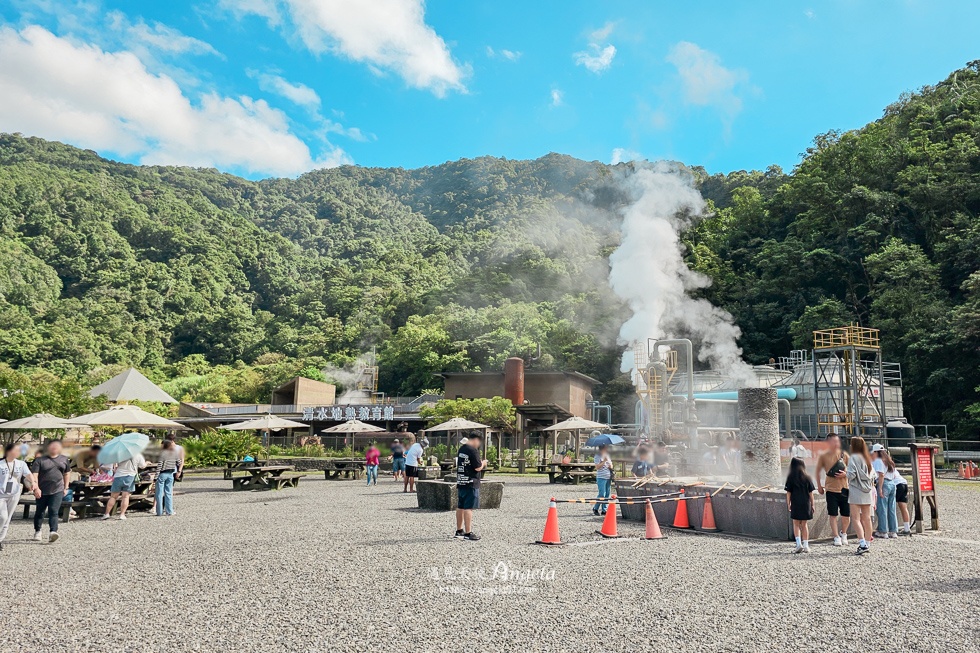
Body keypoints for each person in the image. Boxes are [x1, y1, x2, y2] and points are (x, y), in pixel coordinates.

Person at [29, 439, 71, 543]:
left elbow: (67, 473)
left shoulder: (64, 459)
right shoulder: (39, 460)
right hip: (42, 489)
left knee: (53, 511)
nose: (54, 447)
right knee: (40, 511)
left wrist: (66, 487)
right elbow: (35, 475)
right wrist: (36, 488)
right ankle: (37, 531)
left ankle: (53, 531)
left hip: (58, 489)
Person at [816, 434, 850, 547]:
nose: (837, 444)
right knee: (833, 514)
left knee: (846, 515)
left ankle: (843, 533)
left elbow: (852, 469)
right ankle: (836, 537)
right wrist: (819, 486)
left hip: (845, 488)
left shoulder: (844, 455)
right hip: (831, 489)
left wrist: (846, 474)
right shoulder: (824, 456)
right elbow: (817, 471)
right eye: (834, 441)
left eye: (838, 441)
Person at [454, 432, 487, 541]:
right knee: (469, 508)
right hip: (471, 482)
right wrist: (483, 463)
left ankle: (459, 530)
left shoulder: (462, 449)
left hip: (461, 481)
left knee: (460, 506)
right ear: (476, 440)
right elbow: (477, 467)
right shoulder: (473, 451)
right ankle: (468, 533)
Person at [846, 436, 876, 555]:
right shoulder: (867, 457)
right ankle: (868, 543)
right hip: (867, 491)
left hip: (856, 490)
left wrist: (846, 473)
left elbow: (851, 475)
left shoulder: (853, 457)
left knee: (856, 518)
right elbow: (873, 475)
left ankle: (862, 543)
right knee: (867, 518)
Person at [0, 443, 33, 551]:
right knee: (2, 517)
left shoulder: (21, 464)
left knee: (8, 518)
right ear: (9, 451)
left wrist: (34, 483)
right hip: (1, 494)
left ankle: (0, 539)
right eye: (16, 450)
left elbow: (28, 474)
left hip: (14, 493)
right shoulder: (1, 464)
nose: (19, 452)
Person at [101, 449, 147, 521]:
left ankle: (106, 514)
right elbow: (143, 466)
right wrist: (147, 462)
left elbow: (114, 464)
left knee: (113, 497)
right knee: (125, 497)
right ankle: (122, 514)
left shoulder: (120, 454)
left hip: (118, 476)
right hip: (130, 476)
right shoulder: (138, 455)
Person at [784, 457, 816, 553]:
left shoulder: (790, 478)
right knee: (804, 524)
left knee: (796, 524)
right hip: (806, 503)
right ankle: (806, 545)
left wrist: (788, 503)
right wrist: (813, 505)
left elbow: (788, 493)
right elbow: (811, 493)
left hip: (795, 502)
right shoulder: (807, 477)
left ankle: (798, 544)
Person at [871, 445, 899, 539]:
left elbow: (881, 475)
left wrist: (880, 489)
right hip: (892, 484)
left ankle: (883, 531)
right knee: (892, 508)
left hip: (884, 484)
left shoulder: (879, 461)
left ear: (876, 452)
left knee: (882, 508)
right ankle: (893, 530)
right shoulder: (889, 461)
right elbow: (894, 475)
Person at [155, 439, 182, 516]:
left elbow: (159, 466)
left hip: (162, 474)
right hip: (170, 474)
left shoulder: (162, 454)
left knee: (159, 493)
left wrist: (155, 477)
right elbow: (179, 462)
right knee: (168, 493)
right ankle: (169, 511)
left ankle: (159, 512)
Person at [593, 445, 613, 516]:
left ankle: (604, 509)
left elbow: (611, 464)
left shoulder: (607, 455)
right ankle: (596, 508)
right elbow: (597, 467)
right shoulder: (597, 456)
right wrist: (604, 461)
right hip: (601, 477)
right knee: (602, 494)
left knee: (607, 494)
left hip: (608, 476)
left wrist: (610, 465)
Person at [894, 465, 912, 535]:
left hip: (896, 484)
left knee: (890, 507)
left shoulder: (878, 462)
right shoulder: (891, 463)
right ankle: (907, 528)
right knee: (903, 507)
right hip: (903, 483)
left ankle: (891, 528)